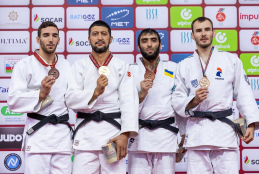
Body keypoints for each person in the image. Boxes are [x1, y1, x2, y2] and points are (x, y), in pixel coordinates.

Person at [172, 16, 259, 174]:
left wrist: (251, 124)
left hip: (224, 133)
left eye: (207, 29)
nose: (203, 34)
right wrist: (193, 101)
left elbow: (244, 93)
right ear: (192, 35)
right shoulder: (183, 66)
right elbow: (176, 100)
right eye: (198, 31)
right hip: (197, 134)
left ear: (214, 33)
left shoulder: (231, 60)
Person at [65, 20, 138, 174]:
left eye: (104, 34)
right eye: (95, 34)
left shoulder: (122, 66)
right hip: (85, 135)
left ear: (110, 39)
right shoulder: (79, 66)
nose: (99, 37)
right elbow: (70, 99)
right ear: (89, 39)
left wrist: (125, 134)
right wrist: (95, 92)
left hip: (113, 135)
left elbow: (129, 102)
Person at [7, 21, 72, 174]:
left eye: (54, 36)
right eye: (46, 35)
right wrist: (40, 94)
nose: (50, 39)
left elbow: (72, 98)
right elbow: (13, 101)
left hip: (62, 136)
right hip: (38, 135)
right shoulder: (24, 65)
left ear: (59, 40)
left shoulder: (66, 65)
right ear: (38, 39)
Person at [127, 28, 187, 174]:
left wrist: (184, 137)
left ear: (160, 45)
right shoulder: (130, 71)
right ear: (138, 46)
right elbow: (124, 107)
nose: (149, 44)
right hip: (139, 138)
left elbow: (179, 104)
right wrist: (141, 94)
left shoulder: (173, 68)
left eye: (153, 40)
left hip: (166, 137)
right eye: (144, 41)